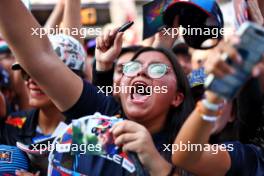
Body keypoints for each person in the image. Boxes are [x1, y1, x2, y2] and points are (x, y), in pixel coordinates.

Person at [0, 1, 195, 175]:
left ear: (177, 97)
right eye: (132, 67)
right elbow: (39, 56)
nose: (140, 72)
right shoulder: (104, 116)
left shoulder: (192, 146)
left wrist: (157, 166)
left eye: (158, 69)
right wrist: (102, 70)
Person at [172, 37, 264, 176]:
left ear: (232, 113)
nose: (207, 101)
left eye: (221, 96)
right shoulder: (162, 148)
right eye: (198, 97)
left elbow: (185, 153)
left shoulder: (245, 155)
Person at [0, 34, 86, 175]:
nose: (31, 81)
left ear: (73, 78)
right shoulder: (11, 124)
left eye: (42, 74)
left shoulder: (89, 133)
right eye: (26, 73)